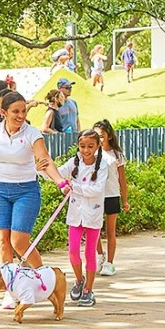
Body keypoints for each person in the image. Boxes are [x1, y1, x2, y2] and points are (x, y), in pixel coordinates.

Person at [0, 91, 71, 310]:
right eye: (16, 112)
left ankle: (47, 281)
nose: (21, 116)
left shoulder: (32, 134)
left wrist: (59, 181)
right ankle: (11, 290)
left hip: (26, 191)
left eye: (23, 111)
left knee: (19, 241)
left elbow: (44, 159)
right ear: (3, 112)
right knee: (1, 241)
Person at [59, 130, 108, 307]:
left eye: (90, 146)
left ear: (98, 146)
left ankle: (88, 289)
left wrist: (74, 186)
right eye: (82, 146)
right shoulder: (74, 162)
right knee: (72, 251)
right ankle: (79, 279)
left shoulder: (103, 166)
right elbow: (58, 173)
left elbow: (96, 189)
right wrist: (42, 168)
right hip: (75, 215)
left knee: (90, 253)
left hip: (92, 215)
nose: (86, 150)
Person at [94, 119, 130, 275]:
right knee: (94, 230)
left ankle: (110, 263)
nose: (99, 139)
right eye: (96, 135)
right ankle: (100, 256)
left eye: (101, 135)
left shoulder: (116, 155)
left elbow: (122, 179)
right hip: (95, 196)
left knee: (110, 231)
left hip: (112, 195)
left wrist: (125, 200)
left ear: (108, 136)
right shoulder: (92, 153)